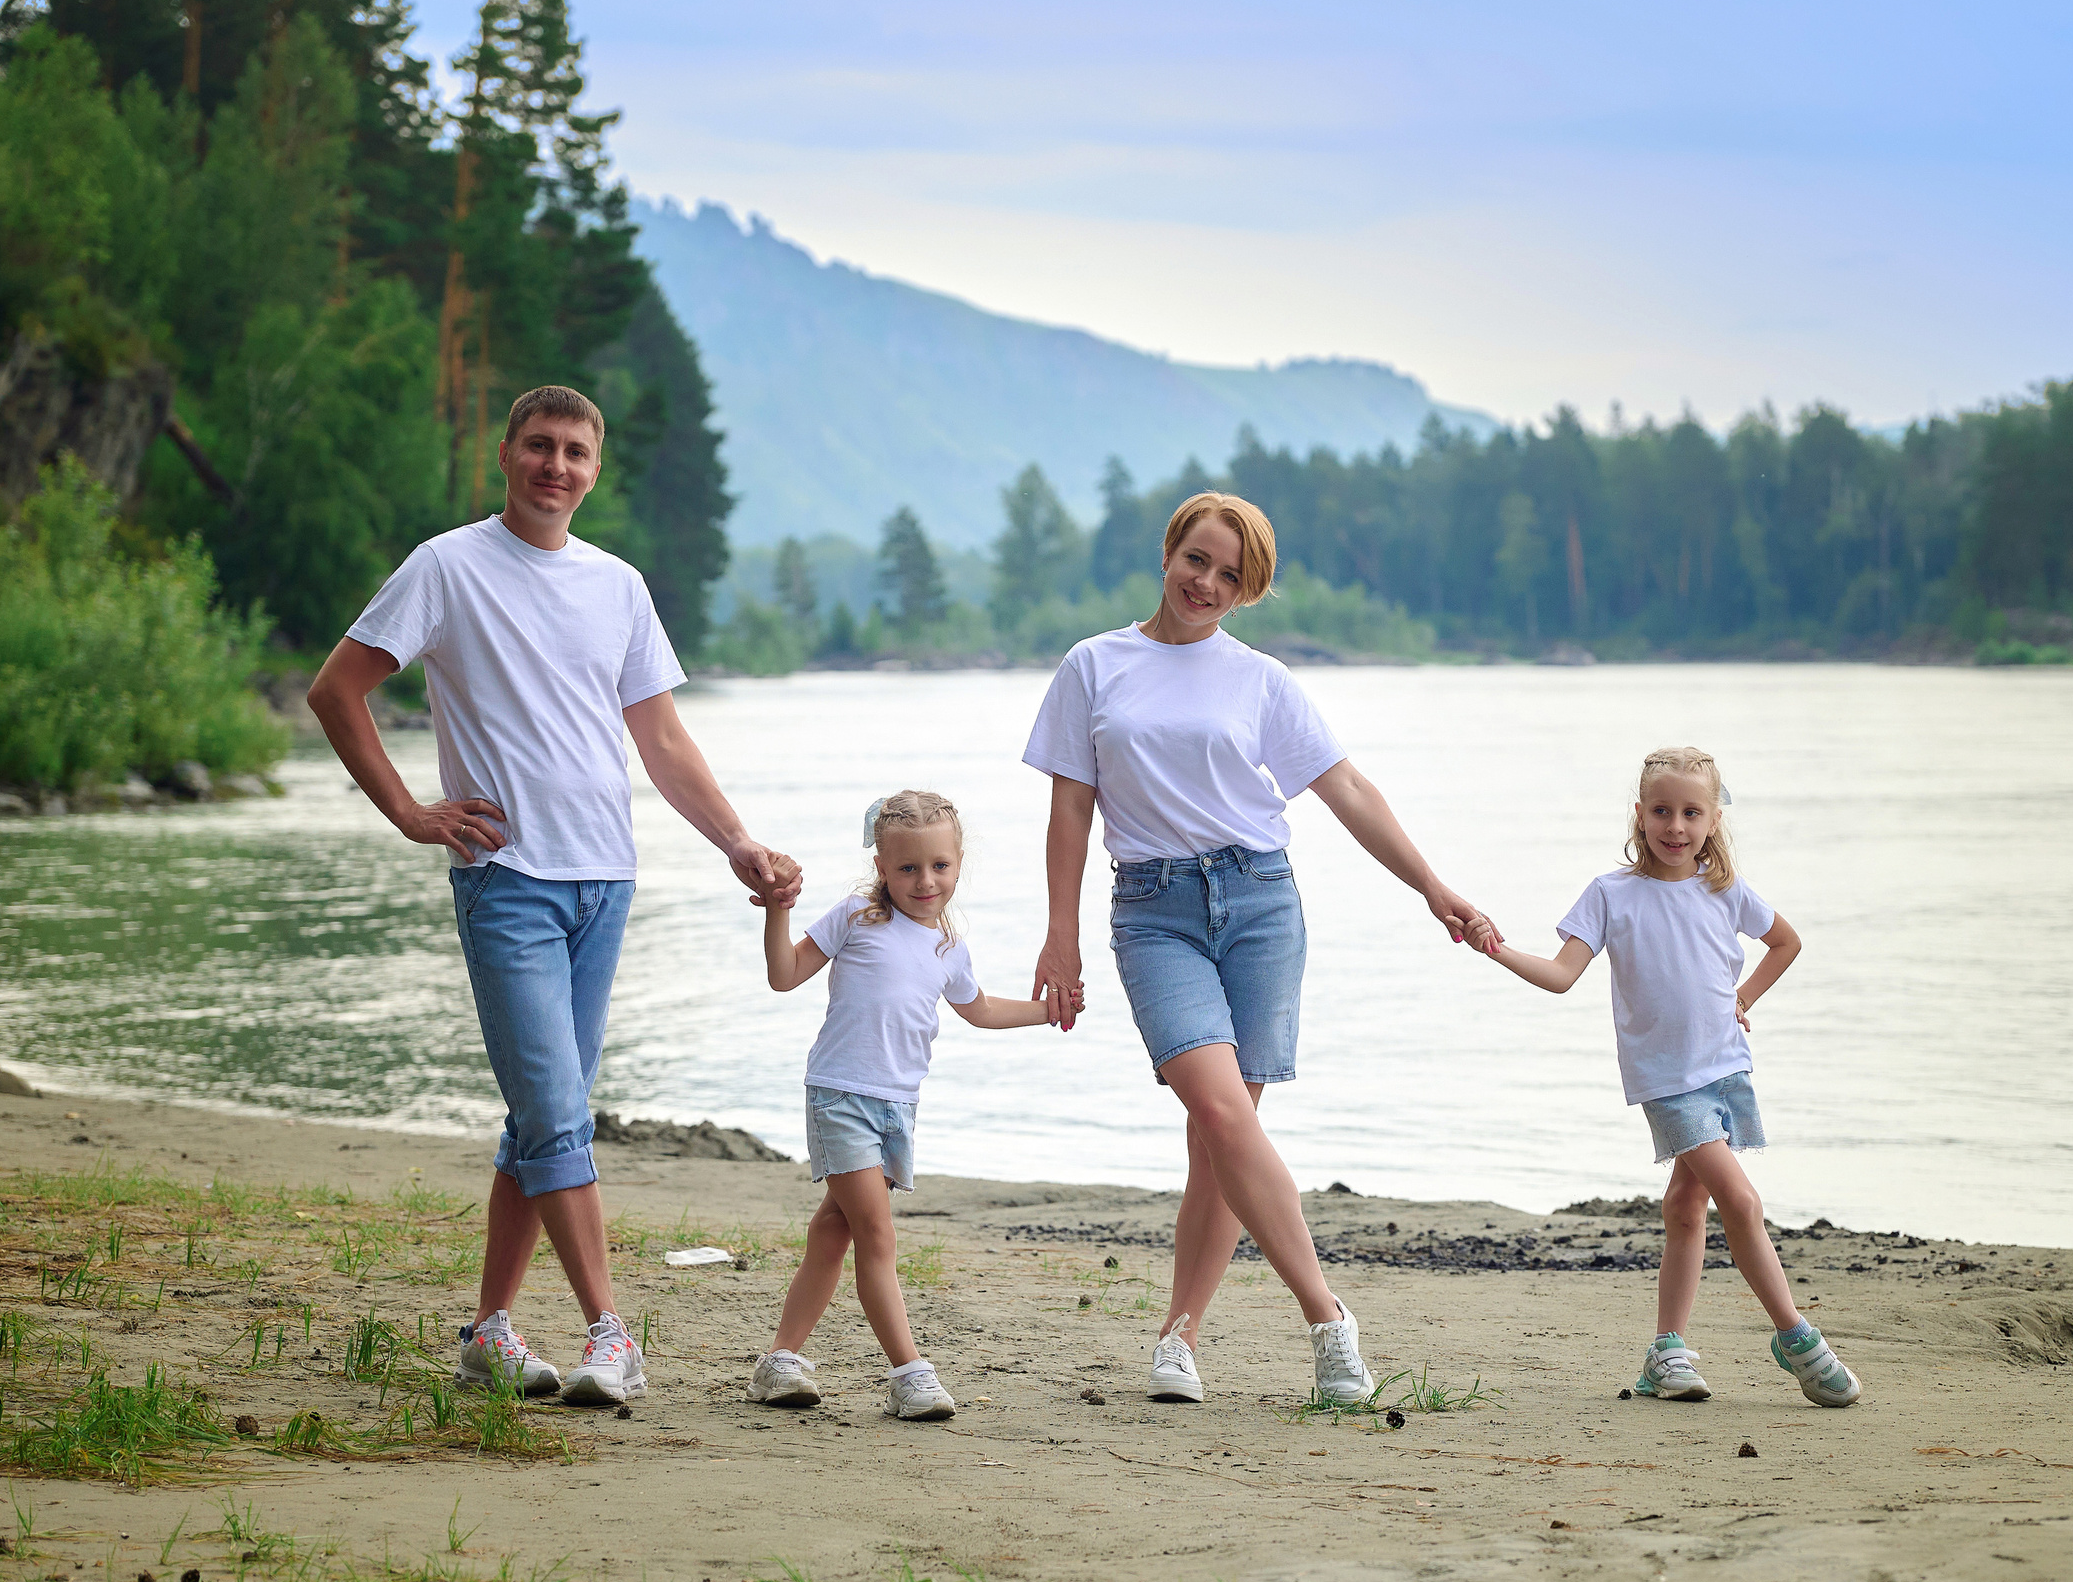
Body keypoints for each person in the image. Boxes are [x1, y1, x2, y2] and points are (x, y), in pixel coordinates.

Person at [307, 385, 801, 1409]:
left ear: (594, 469)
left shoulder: (616, 585)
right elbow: (336, 688)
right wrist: (409, 810)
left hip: (604, 884)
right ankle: (610, 1332)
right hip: (506, 881)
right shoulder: (447, 566)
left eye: (576, 451)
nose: (556, 465)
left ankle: (488, 1335)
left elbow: (662, 741)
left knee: (539, 1119)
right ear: (505, 453)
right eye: (540, 445)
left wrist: (737, 842)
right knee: (557, 1111)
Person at [1022, 491, 1497, 1405]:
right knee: (1222, 1115)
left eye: (1230, 576)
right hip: (1154, 911)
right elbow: (1070, 813)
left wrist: (1432, 886)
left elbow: (1346, 789)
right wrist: (1061, 936)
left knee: (1217, 1138)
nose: (1206, 583)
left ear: (1248, 592)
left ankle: (1178, 1337)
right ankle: (1329, 1320)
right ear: (1168, 553)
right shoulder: (1094, 666)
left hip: (1261, 905)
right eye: (1196, 560)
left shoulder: (1262, 680)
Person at [1464, 745, 1860, 1407]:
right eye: (1662, 811)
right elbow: (1562, 976)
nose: (1675, 827)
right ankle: (1795, 1338)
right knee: (1743, 1203)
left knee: (1686, 1206)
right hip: (1667, 1079)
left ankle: (1665, 1353)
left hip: (1725, 1070)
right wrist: (1497, 949)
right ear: (1640, 815)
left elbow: (1786, 942)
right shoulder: (1611, 894)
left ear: (1712, 820)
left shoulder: (1723, 889)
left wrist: (1745, 998)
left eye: (1691, 813)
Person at [746, 790, 1057, 1420]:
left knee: (833, 1230)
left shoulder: (948, 948)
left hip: (898, 1108)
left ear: (959, 863)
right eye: (908, 868)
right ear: (882, 866)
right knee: (876, 1235)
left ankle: (780, 1360)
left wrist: (1049, 1012)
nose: (925, 880)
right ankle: (909, 1372)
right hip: (841, 1096)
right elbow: (784, 974)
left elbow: (982, 1010)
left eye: (939, 866)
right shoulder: (858, 916)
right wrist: (778, 911)